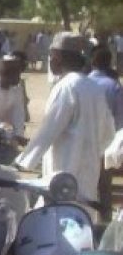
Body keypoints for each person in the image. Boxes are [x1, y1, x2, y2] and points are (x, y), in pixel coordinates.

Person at [19, 32, 116, 220]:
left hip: (64, 176)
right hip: (89, 176)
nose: (50, 61)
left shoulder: (66, 87)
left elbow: (49, 129)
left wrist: (24, 162)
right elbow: (108, 133)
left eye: (51, 56)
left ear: (59, 56)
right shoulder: (94, 87)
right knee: (83, 222)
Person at [89, 47, 123, 131]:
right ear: (109, 62)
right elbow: (120, 118)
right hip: (109, 136)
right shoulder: (114, 86)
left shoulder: (80, 84)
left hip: (85, 137)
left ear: (91, 61)